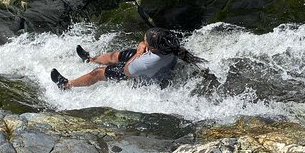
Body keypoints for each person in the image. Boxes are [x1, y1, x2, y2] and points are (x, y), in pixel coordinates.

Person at [50, 27, 205, 90]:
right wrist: (141, 46)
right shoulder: (170, 43)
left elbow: (127, 71)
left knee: (98, 72)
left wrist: (138, 54)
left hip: (140, 75)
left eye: (146, 41)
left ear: (152, 48)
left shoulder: (146, 62)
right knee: (116, 55)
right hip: (146, 59)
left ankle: (66, 85)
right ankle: (90, 59)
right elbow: (144, 42)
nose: (144, 40)